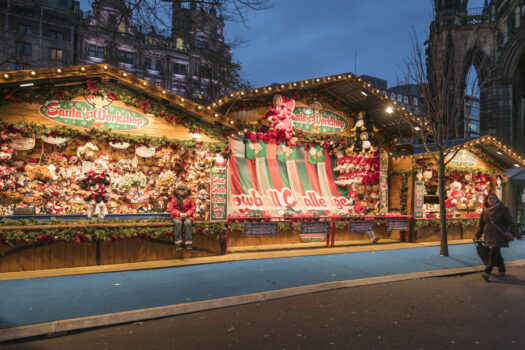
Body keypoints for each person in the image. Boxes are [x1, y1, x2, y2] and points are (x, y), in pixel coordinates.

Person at [475, 193, 522, 281]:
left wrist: (517, 234)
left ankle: (487, 272)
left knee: (494, 251)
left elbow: (511, 222)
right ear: (487, 200)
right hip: (488, 234)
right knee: (496, 252)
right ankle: (502, 269)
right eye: (490, 198)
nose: (492, 200)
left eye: (494, 198)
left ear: (497, 200)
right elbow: (481, 224)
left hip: (499, 234)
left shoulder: (503, 209)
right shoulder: (485, 210)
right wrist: (478, 234)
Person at [168, 183, 196, 250]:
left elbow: (193, 207)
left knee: (188, 223)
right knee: (178, 222)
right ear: (177, 190)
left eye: (183, 190)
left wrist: (187, 214)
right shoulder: (174, 198)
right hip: (176, 216)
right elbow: (171, 208)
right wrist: (179, 213)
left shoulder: (190, 198)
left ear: (186, 190)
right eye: (179, 189)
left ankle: (189, 242)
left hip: (187, 216)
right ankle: (178, 242)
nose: (181, 191)